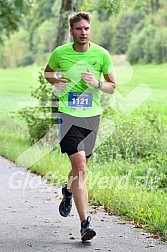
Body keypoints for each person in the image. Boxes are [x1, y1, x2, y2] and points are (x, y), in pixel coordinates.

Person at [44, 11, 115, 242]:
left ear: (89, 29)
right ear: (71, 31)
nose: (83, 32)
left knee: (78, 171)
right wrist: (57, 80)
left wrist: (97, 83)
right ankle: (85, 224)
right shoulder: (60, 53)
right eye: (78, 29)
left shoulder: (101, 54)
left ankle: (67, 191)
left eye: (86, 28)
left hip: (92, 117)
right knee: (81, 167)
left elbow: (112, 86)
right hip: (68, 116)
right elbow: (47, 72)